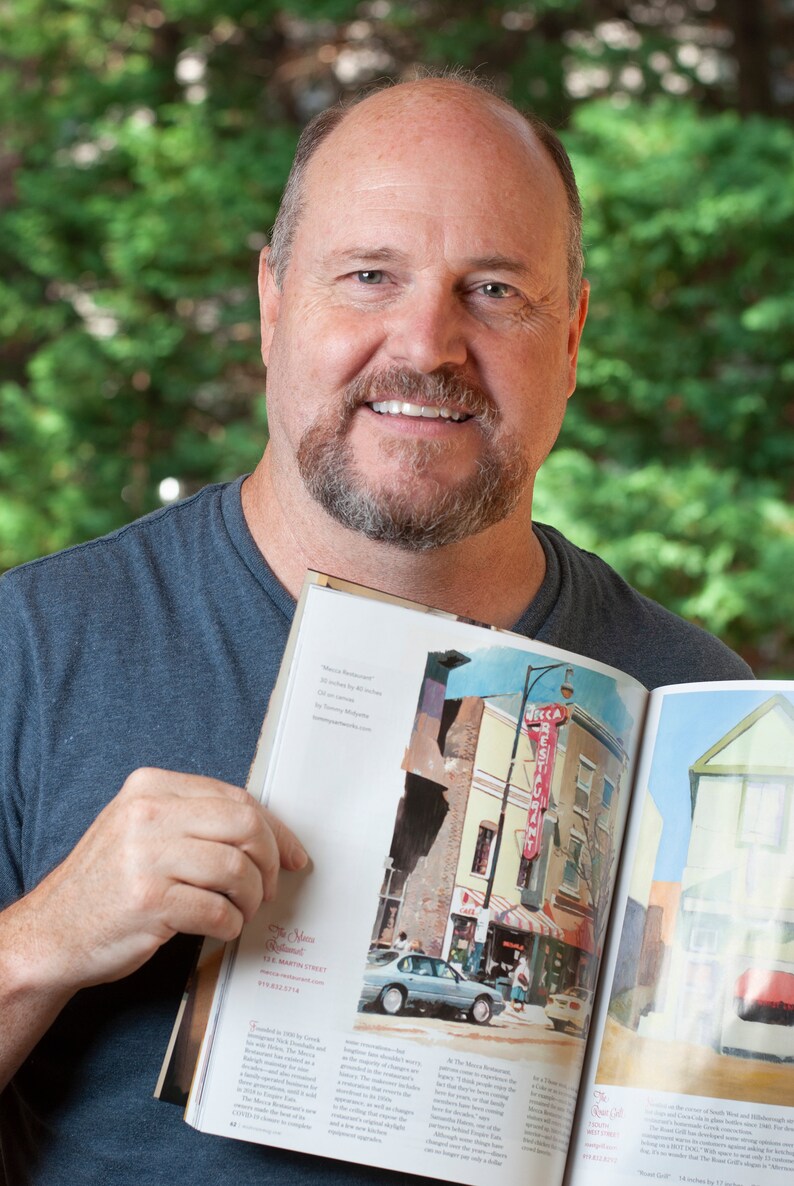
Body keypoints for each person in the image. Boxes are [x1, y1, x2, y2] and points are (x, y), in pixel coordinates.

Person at [0, 73, 751, 1184]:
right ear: (270, 298)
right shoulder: (31, 648)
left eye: (493, 289)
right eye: (367, 276)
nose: (426, 342)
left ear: (573, 332)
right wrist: (41, 944)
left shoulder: (692, 703)